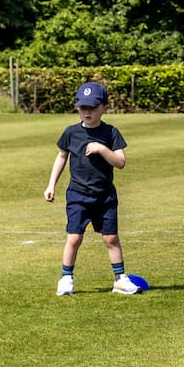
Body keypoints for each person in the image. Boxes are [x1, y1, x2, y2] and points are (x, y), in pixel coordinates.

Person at [43, 81, 138, 296]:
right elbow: (61, 157)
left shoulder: (111, 133)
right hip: (78, 195)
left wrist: (102, 149)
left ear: (104, 107)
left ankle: (120, 280)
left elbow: (120, 162)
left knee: (111, 238)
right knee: (74, 237)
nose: (86, 111)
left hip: (105, 196)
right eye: (82, 107)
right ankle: (66, 278)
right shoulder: (70, 133)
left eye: (92, 107)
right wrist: (51, 185)